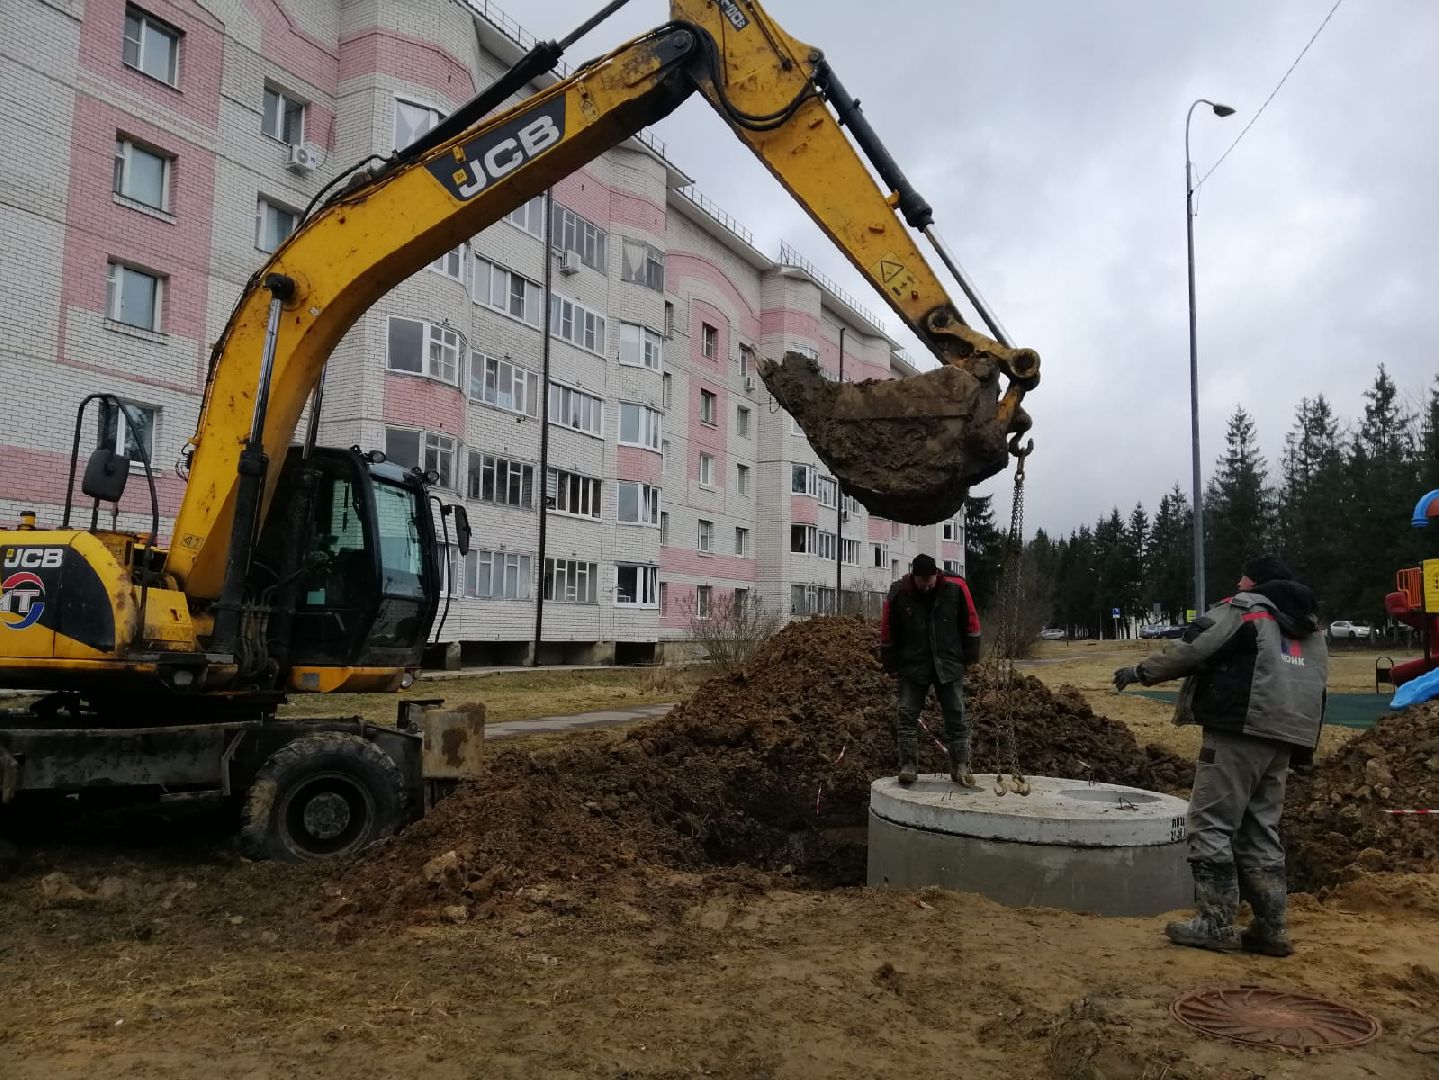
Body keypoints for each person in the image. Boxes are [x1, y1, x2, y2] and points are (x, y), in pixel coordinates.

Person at [1113, 554, 1327, 957]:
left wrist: (1140, 672)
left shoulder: (1246, 612)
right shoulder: (1310, 627)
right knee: (1260, 828)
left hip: (1240, 729)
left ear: (1256, 582)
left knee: (1210, 821)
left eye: (1243, 578)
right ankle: (1271, 927)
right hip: (1286, 736)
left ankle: (1215, 922)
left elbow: (1194, 648)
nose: (1238, 584)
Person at [880, 554, 983, 787]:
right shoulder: (899, 592)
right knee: (906, 716)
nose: (926, 584)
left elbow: (971, 621)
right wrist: (891, 664)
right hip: (913, 665)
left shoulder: (956, 587)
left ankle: (960, 767)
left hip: (948, 663)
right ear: (913, 577)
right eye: (922, 580)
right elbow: (888, 629)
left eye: (930, 579)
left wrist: (970, 658)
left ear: (937, 574)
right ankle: (908, 766)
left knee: (956, 716)